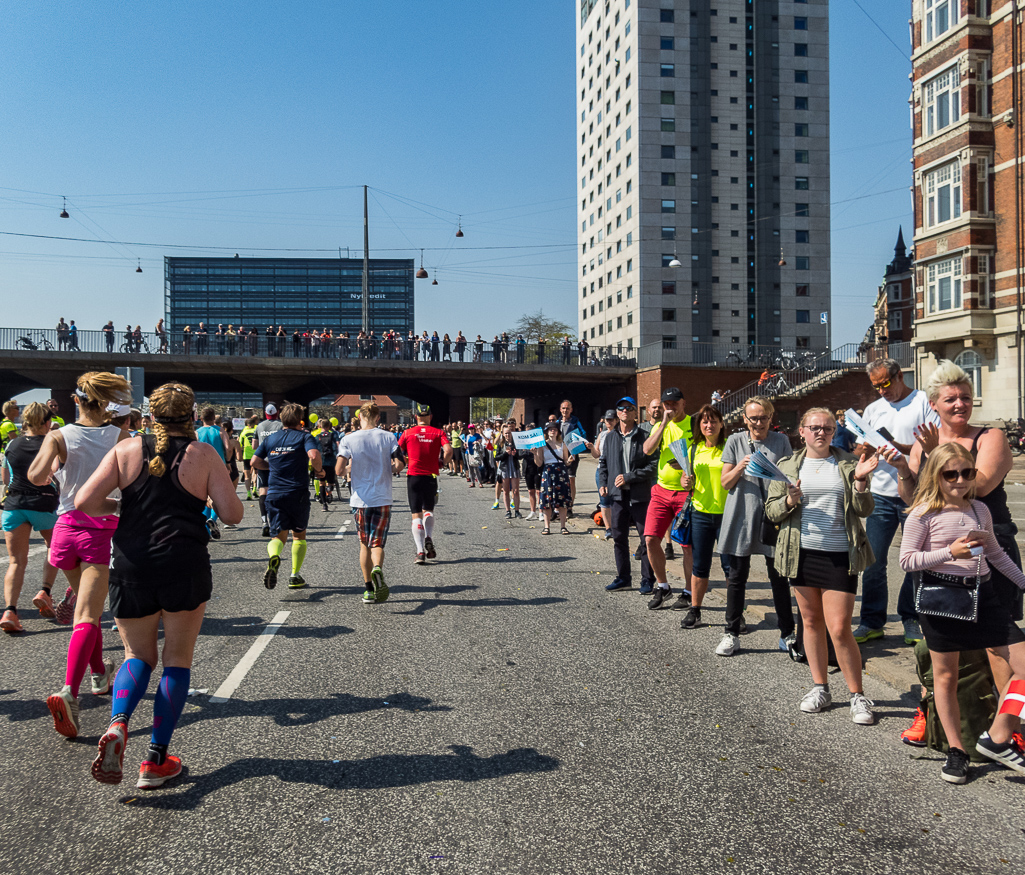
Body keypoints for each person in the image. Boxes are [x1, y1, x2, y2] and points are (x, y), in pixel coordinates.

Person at [77, 381, 243, 789]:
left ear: (149, 417)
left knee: (137, 654)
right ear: (191, 416)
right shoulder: (202, 454)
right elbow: (233, 514)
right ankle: (154, 759)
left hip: (132, 565)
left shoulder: (126, 450)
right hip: (183, 564)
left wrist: (123, 504)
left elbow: (84, 502)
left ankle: (118, 724)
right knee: (177, 659)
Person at [891, 359, 1023, 745]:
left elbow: (975, 488)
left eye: (965, 397)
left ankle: (1008, 731)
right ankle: (932, 712)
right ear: (934, 404)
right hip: (937, 555)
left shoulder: (990, 437)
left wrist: (935, 457)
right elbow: (916, 499)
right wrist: (905, 467)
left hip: (989, 544)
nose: (960, 405)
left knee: (1000, 646)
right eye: (951, 399)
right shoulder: (923, 443)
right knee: (934, 641)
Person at [898, 442, 1025, 783]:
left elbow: (996, 555)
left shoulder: (980, 510)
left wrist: (1023, 582)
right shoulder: (923, 513)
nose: (958, 480)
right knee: (946, 678)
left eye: (966, 473)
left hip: (984, 598)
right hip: (942, 601)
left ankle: (998, 736)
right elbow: (906, 560)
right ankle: (957, 750)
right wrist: (948, 552)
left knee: (1023, 667)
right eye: (950, 474)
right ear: (936, 476)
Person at [28, 371, 133, 739]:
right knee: (88, 613)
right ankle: (69, 692)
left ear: (76, 400)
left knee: (86, 612)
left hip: (65, 530)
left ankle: (100, 674)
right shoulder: (120, 436)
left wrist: (58, 466)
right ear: (105, 403)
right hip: (100, 529)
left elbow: (36, 475)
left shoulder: (59, 435)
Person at [765, 408, 878, 725]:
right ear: (801, 431)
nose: (821, 432)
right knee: (810, 623)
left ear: (834, 432)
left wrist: (859, 482)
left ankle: (857, 695)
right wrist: (789, 501)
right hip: (800, 554)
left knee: (840, 627)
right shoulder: (786, 466)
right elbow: (772, 512)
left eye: (827, 428)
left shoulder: (848, 463)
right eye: (814, 427)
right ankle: (821, 688)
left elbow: (864, 509)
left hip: (840, 554)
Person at [852, 358, 939, 646]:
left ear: (900, 375)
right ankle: (871, 622)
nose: (881, 391)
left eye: (886, 383)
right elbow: (859, 450)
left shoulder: (924, 401)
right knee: (873, 562)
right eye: (876, 386)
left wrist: (893, 446)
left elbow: (932, 446)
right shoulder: (874, 409)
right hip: (881, 495)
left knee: (915, 563)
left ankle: (910, 618)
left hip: (917, 494)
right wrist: (864, 449)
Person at [716, 396, 795, 656]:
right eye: (753, 418)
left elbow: (789, 477)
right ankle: (731, 633)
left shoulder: (781, 441)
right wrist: (741, 465)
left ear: (771, 418)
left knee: (779, 578)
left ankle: (787, 633)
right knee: (737, 577)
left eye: (763, 418)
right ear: (745, 419)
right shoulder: (735, 441)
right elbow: (725, 483)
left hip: (772, 516)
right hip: (741, 515)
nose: (758, 423)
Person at [0, 403, 61, 632]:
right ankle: (45, 591)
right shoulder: (50, 444)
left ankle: (10, 611)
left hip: (14, 504)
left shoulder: (12, 444)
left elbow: (6, 477)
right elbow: (56, 473)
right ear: (47, 423)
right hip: (43, 503)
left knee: (16, 562)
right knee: (52, 546)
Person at [336, 401, 405, 603]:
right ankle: (377, 568)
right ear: (377, 417)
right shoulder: (388, 436)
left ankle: (368, 589)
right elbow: (400, 464)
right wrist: (390, 470)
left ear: (359, 417)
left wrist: (351, 470)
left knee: (364, 544)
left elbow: (339, 470)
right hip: (382, 496)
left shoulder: (348, 439)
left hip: (360, 499)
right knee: (378, 543)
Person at [251, 402, 324, 590]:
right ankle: (294, 575)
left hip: (274, 493)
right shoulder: (304, 436)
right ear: (300, 419)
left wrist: (273, 467)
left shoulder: (271, 439)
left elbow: (255, 461)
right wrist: (320, 472)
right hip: (296, 492)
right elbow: (314, 456)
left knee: (277, 536)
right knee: (298, 536)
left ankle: (274, 558)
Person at [641, 387, 694, 609]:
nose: (670, 407)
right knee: (651, 539)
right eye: (666, 404)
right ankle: (663, 586)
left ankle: (689, 591)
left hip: (686, 494)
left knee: (687, 545)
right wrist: (662, 424)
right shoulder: (660, 426)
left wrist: (686, 466)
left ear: (683, 403)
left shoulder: (695, 424)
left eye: (674, 403)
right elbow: (647, 450)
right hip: (662, 491)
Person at [599, 397, 657, 592]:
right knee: (619, 537)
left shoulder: (644, 436)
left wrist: (630, 477)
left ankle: (647, 580)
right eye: (621, 408)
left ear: (635, 413)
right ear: (617, 413)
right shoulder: (610, 437)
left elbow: (653, 466)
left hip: (639, 495)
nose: (625, 411)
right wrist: (603, 483)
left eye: (629, 408)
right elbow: (604, 464)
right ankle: (623, 577)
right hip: (617, 497)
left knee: (646, 538)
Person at [679, 404, 729, 629]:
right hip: (700, 513)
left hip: (728, 515)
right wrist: (685, 482)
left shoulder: (730, 448)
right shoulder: (693, 449)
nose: (709, 425)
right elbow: (684, 478)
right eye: (705, 421)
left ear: (721, 423)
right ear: (700, 425)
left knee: (730, 567)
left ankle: (735, 612)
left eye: (713, 420)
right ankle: (695, 609)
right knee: (700, 566)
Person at [398, 403, 452, 564]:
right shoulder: (438, 432)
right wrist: (443, 462)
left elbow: (396, 451)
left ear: (416, 417)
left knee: (416, 514)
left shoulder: (408, 432)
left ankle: (420, 551)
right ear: (430, 417)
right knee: (428, 510)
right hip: (430, 475)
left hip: (413, 475)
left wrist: (405, 460)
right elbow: (449, 450)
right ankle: (428, 536)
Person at [195, 408, 227, 540]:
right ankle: (213, 519)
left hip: (201, 467)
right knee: (219, 496)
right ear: (214, 417)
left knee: (204, 497)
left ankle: (206, 531)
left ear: (201, 418)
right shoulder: (220, 431)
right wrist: (229, 461)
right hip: (219, 467)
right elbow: (228, 447)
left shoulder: (196, 432)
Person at [534, 421, 571, 535]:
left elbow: (566, 461)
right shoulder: (542, 445)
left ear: (558, 431)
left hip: (561, 473)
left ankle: (563, 527)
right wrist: (535, 453)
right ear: (547, 432)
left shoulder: (563, 444)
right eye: (550, 429)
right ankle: (546, 527)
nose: (552, 431)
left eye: (554, 429)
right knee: (547, 500)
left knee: (562, 501)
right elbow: (539, 463)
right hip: (548, 473)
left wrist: (569, 460)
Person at [253, 404, 283, 537]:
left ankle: (265, 521)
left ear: (265, 413)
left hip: (262, 461)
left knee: (263, 490)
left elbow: (254, 445)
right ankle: (277, 521)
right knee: (278, 490)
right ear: (277, 413)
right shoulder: (281, 425)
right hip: (278, 461)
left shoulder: (259, 426)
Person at [590, 410, 618, 537]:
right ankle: (608, 529)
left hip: (616, 471)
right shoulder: (602, 435)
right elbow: (597, 455)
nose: (609, 422)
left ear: (616, 420)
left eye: (612, 419)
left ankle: (617, 526)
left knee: (617, 499)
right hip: (601, 470)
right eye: (607, 420)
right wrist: (591, 448)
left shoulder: (619, 434)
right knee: (604, 498)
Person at [558, 400, 585, 514]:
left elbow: (583, 434)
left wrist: (574, 451)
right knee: (559, 481)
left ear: (571, 410)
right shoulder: (557, 422)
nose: (565, 410)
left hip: (571, 454)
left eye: (567, 408)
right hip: (559, 455)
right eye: (563, 408)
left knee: (570, 480)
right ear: (560, 409)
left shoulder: (575, 421)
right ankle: (559, 507)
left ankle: (570, 507)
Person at [494, 424, 523, 519]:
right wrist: (505, 454)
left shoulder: (516, 443)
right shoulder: (500, 444)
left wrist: (515, 454)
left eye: (509, 433)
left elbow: (520, 456)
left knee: (515, 491)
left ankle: (517, 511)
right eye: (506, 433)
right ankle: (508, 511)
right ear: (502, 434)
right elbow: (496, 457)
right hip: (504, 468)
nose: (507, 435)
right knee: (506, 491)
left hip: (514, 468)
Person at [239, 415, 259, 499]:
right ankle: (254, 488)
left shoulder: (243, 432)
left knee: (247, 476)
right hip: (256, 454)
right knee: (255, 473)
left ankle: (248, 493)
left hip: (246, 455)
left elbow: (240, 444)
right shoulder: (256, 430)